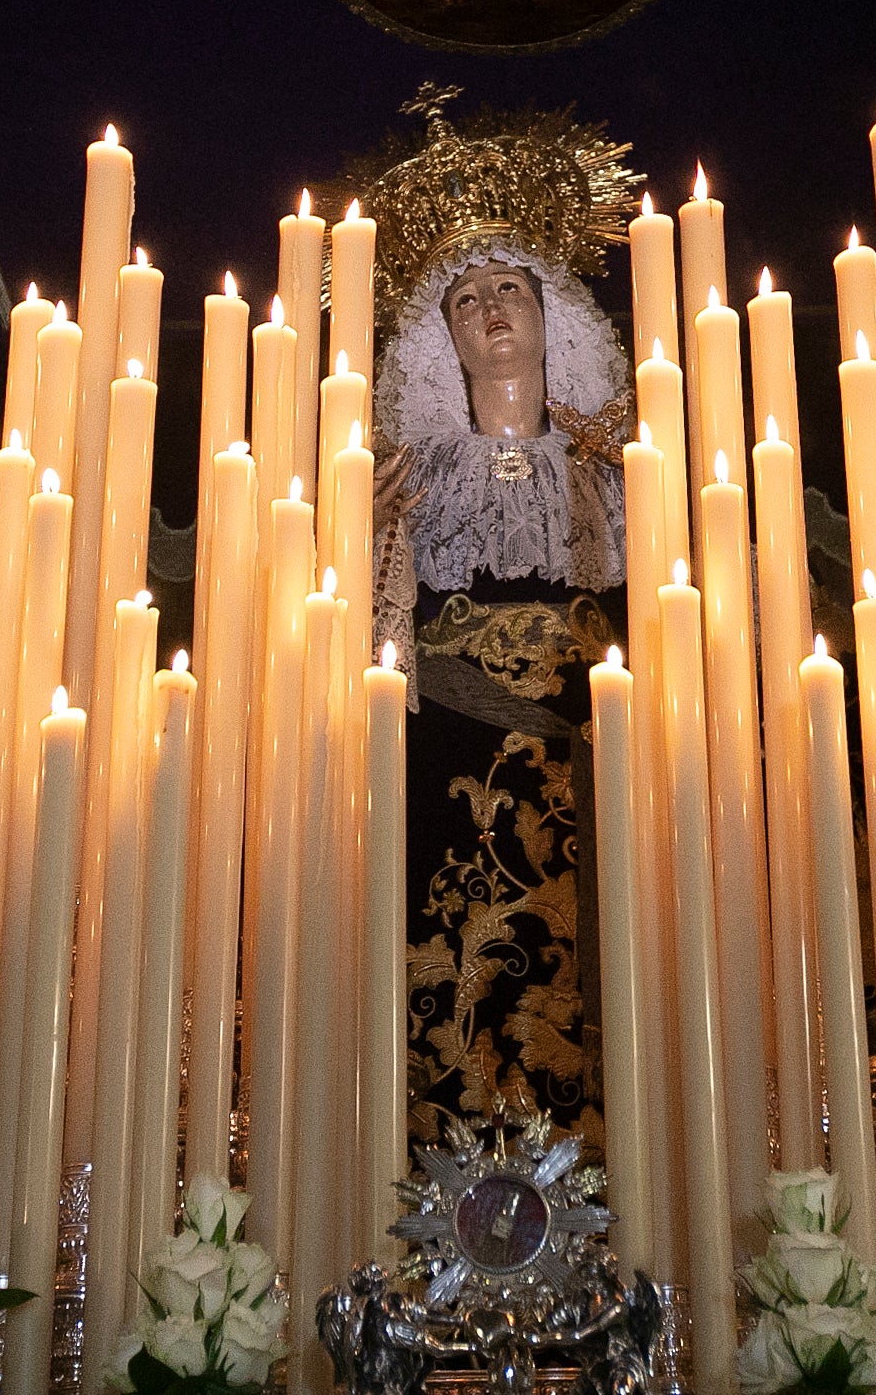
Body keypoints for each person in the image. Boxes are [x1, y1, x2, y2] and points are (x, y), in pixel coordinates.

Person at [343, 92, 638, 1146]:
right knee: (452, 986)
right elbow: (359, 637)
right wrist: (358, 536)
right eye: (466, 300)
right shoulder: (402, 476)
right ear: (443, 339)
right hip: (447, 767)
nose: (491, 310)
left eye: (511, 288)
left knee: (597, 977)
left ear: (553, 315)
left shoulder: (615, 468)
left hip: (590, 764)